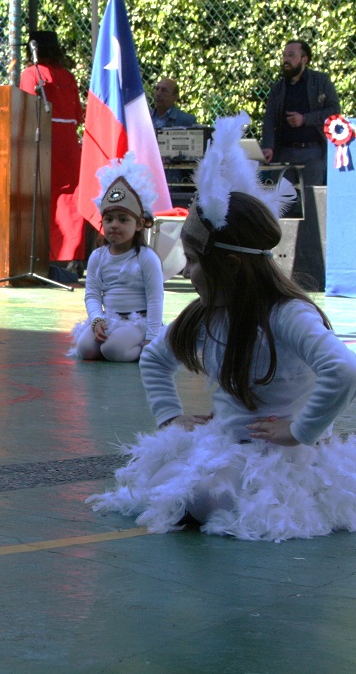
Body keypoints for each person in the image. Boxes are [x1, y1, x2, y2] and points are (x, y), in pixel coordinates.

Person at [88, 113, 356, 541]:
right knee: (165, 486)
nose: (186, 271)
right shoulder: (207, 312)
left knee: (203, 498)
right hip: (226, 443)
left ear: (229, 265)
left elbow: (343, 369)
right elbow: (155, 359)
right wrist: (170, 416)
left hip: (280, 457)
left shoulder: (286, 314)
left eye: (193, 262)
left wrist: (300, 430)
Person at [72, 154, 165, 362]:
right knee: (85, 349)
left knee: (113, 350)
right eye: (109, 219)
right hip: (110, 318)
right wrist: (97, 319)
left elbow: (155, 299)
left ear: (139, 224)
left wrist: (151, 338)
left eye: (123, 220)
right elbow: (92, 293)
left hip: (138, 321)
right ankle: (115, 340)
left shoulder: (146, 258)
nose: (114, 225)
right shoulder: (98, 256)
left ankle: (150, 347)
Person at [18, 30, 86, 268]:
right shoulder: (68, 76)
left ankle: (46, 254)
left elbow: (26, 110)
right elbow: (78, 114)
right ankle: (72, 253)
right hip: (69, 140)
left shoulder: (31, 73)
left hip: (45, 137)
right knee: (69, 196)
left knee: (45, 195)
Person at [260, 40, 340, 186]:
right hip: (284, 153)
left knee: (311, 197)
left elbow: (334, 111)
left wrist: (305, 119)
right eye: (284, 55)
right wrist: (268, 146)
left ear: (304, 59)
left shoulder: (321, 81)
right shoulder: (278, 88)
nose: (286, 60)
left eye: (291, 55)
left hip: (313, 153)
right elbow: (269, 119)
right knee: (282, 198)